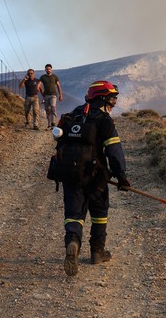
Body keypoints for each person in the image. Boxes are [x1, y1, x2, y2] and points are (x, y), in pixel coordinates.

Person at [56, 80, 130, 277]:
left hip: (71, 175)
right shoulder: (104, 120)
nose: (114, 103)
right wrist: (121, 176)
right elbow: (114, 151)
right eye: (112, 99)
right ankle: (97, 251)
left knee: (74, 214)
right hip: (96, 177)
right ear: (102, 98)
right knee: (99, 212)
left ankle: (73, 242)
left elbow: (60, 144)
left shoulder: (73, 115)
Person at [37, 63, 63, 129]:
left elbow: (58, 86)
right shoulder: (43, 77)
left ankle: (53, 123)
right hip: (46, 95)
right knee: (47, 110)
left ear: (51, 69)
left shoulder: (55, 77)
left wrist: (60, 95)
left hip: (53, 95)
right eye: (47, 69)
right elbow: (39, 85)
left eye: (49, 69)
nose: (48, 70)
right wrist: (39, 90)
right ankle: (49, 124)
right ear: (45, 70)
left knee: (53, 108)